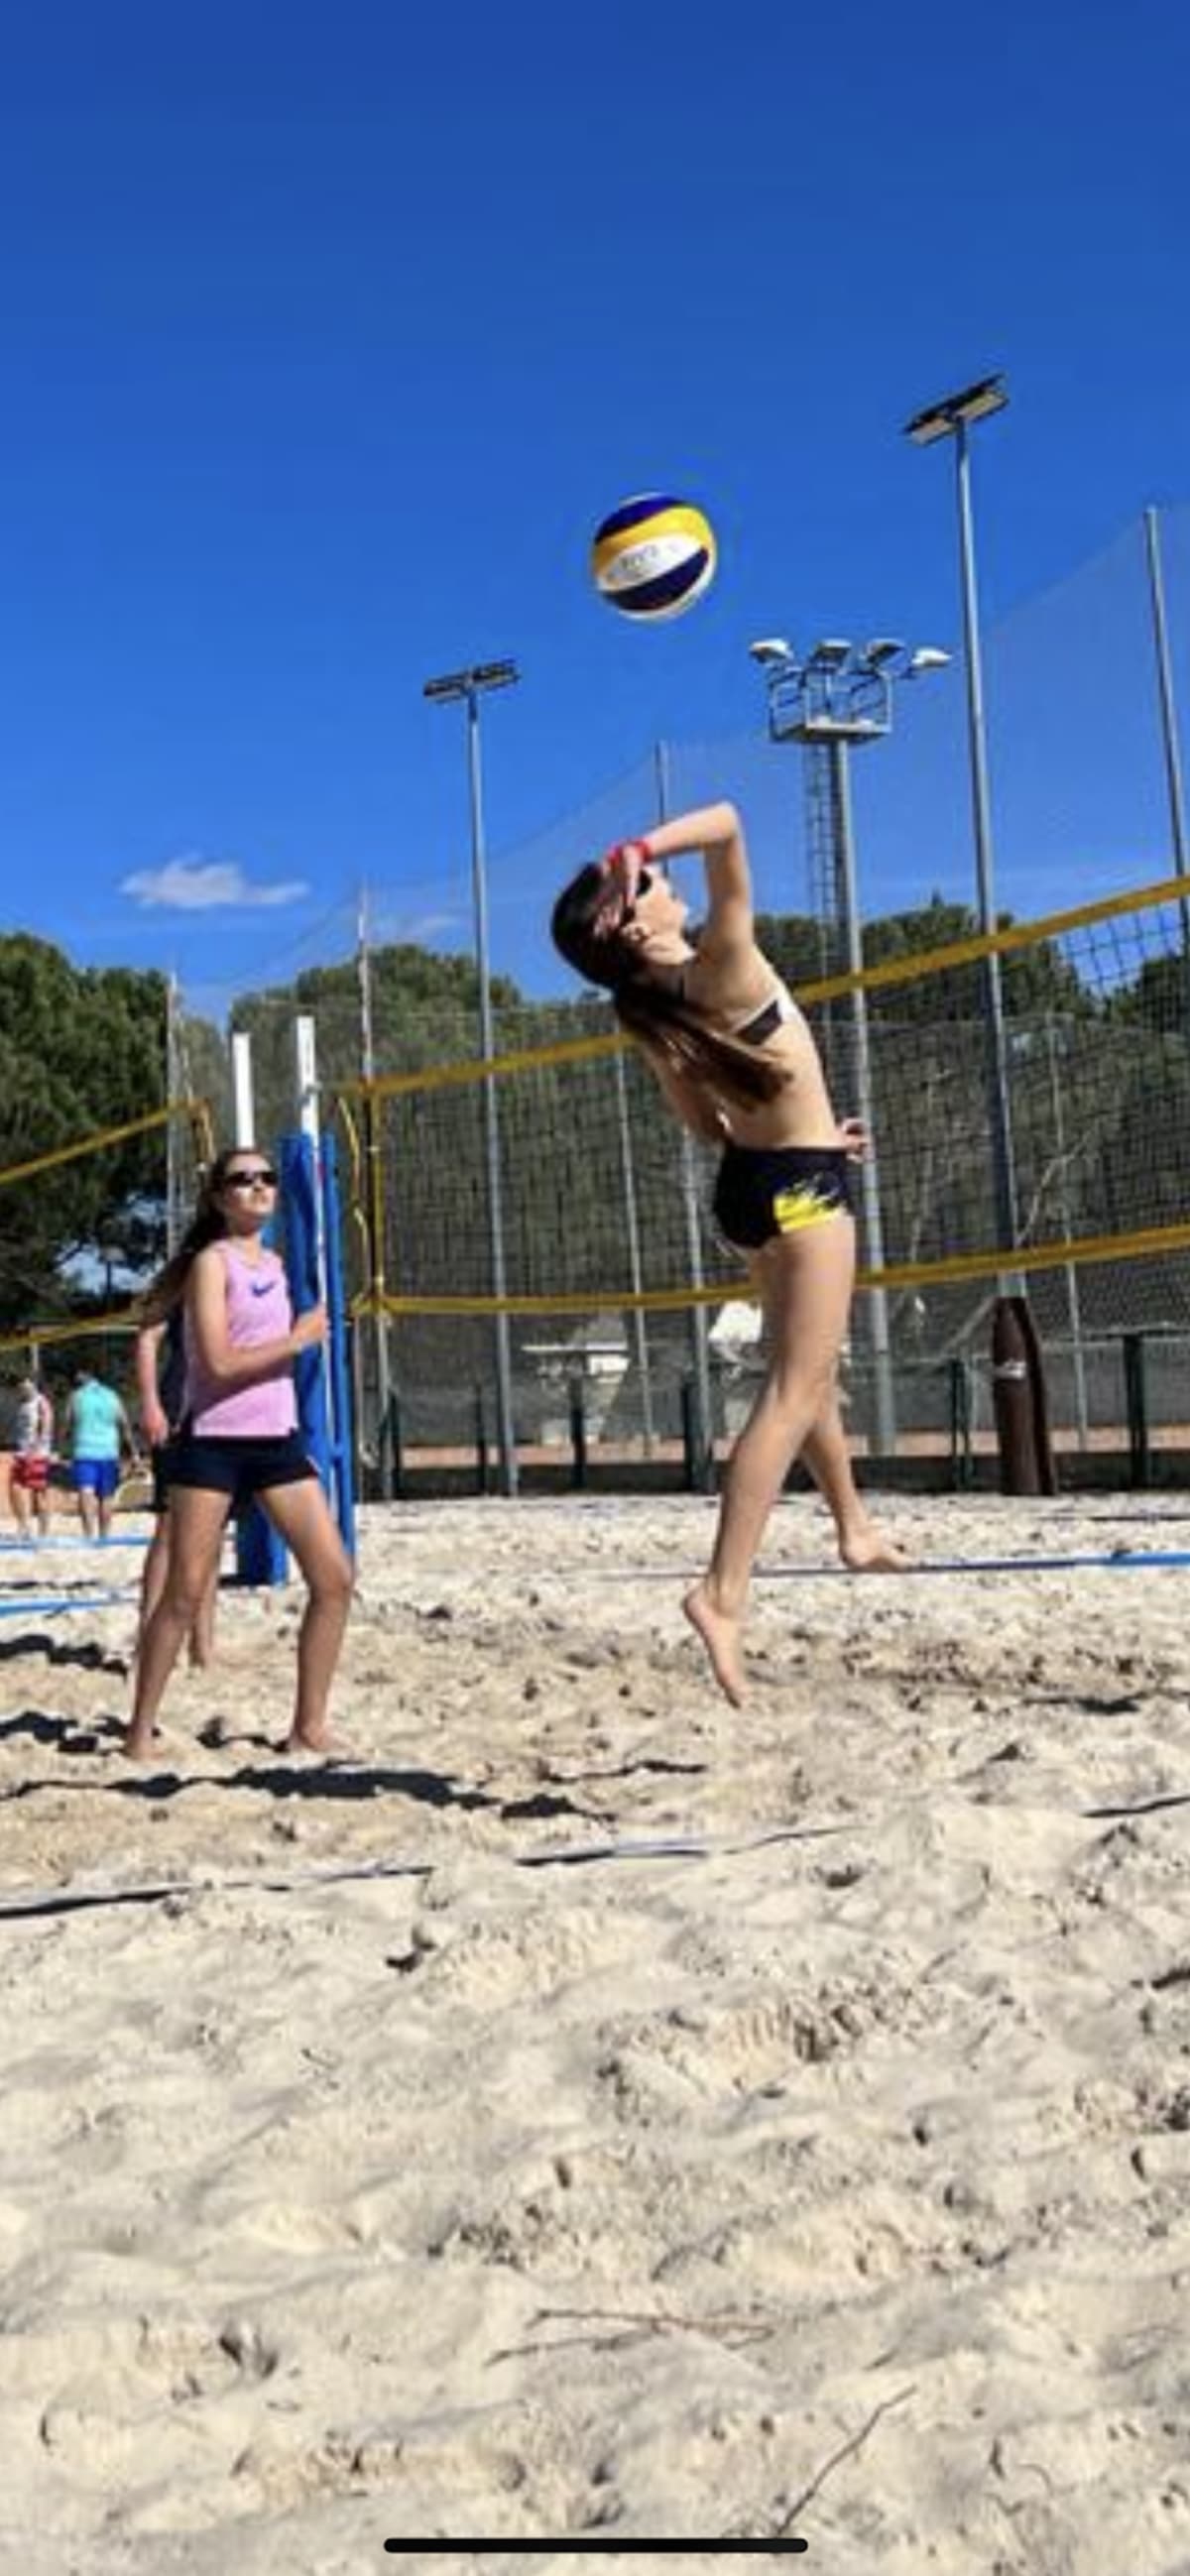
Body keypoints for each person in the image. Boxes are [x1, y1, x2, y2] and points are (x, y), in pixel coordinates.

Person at [550, 798, 906, 1705]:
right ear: (632, 918)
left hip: (755, 1181)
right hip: (797, 1187)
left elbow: (706, 1122)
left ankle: (854, 1527)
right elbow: (734, 822)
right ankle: (721, 1594)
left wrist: (815, 1133)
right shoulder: (725, 962)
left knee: (806, 1373)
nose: (669, 887)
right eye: (654, 886)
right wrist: (637, 844)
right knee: (793, 1391)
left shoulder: (649, 1007)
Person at [126, 1145, 354, 1762]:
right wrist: (299, 1339)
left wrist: (296, 1342)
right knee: (184, 1594)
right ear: (220, 1197)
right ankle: (139, 1733)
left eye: (266, 1178)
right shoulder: (210, 1263)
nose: (257, 1187)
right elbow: (221, 1362)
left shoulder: (278, 1265)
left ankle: (308, 1726)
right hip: (215, 1444)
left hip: (276, 1442)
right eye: (241, 1179)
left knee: (334, 1580)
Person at [135, 1309, 217, 1669]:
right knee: (169, 1528)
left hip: (221, 1406)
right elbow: (148, 1337)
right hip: (179, 1408)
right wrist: (151, 1403)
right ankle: (146, 1641)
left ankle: (203, 1645)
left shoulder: (238, 1268)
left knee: (212, 1531)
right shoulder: (184, 1272)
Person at [66, 1366, 137, 1540]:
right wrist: (133, 1451)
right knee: (107, 1496)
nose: (76, 1376)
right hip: (108, 1452)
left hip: (84, 1450)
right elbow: (125, 1424)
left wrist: (66, 1440)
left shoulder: (76, 1396)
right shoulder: (112, 1395)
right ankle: (104, 1535)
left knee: (86, 1492)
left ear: (85, 1375)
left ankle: (89, 1535)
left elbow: (68, 1423)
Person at [10, 1375, 55, 1541]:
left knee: (39, 1493)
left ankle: (43, 1533)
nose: (23, 1388)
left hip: (37, 1454)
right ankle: (24, 1526)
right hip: (22, 1452)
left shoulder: (41, 1401)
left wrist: (36, 1448)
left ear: (33, 1384)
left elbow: (47, 1425)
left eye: (25, 1384)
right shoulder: (22, 1403)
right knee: (15, 1488)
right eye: (21, 1385)